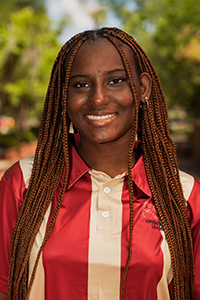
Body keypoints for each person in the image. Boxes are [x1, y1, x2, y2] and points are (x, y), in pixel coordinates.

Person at [0, 27, 199, 300]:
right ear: (63, 96)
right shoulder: (23, 183)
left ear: (142, 88)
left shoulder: (184, 194)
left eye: (116, 81)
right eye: (81, 85)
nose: (98, 99)